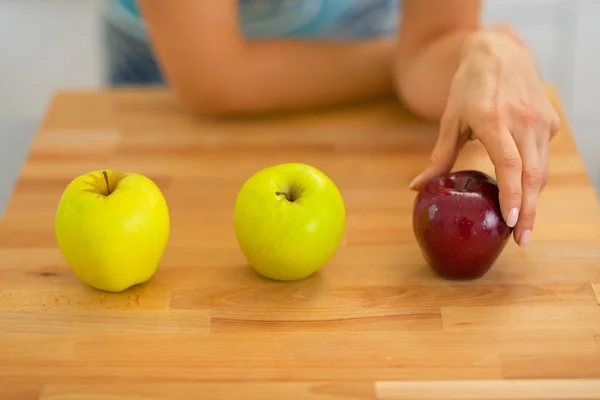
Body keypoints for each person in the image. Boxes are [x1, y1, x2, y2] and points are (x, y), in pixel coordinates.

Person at [104, 0, 560, 248]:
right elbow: (212, 78)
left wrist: (474, 52)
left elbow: (431, 46)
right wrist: (401, 63)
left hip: (367, 47)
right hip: (166, 74)